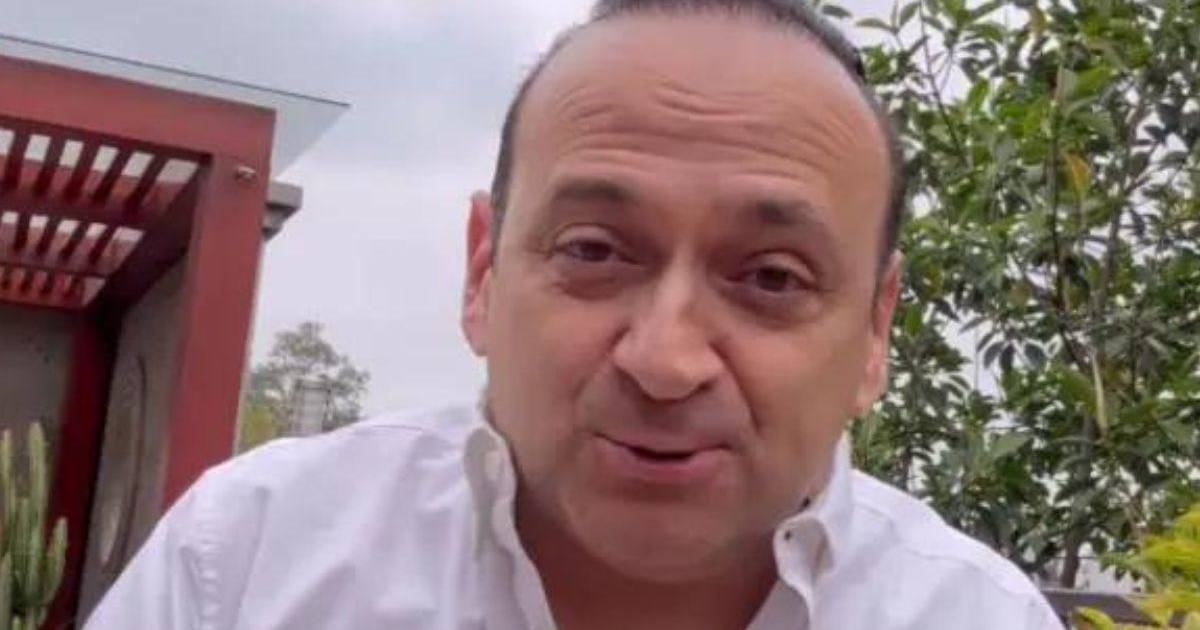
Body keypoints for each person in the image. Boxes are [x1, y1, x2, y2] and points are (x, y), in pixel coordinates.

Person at [85, 0, 1065, 628]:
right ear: (483, 271)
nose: (665, 360)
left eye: (771, 277)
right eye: (594, 252)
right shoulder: (249, 564)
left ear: (875, 331)